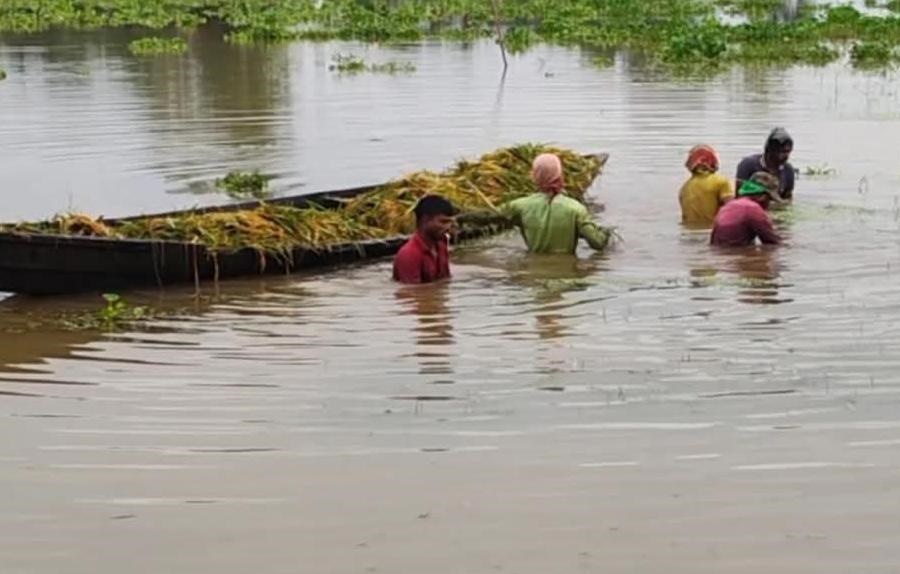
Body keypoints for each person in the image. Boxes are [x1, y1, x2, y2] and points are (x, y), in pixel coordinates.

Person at [495, 153, 612, 255]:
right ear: (560, 176)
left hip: (532, 275)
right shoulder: (576, 209)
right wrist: (606, 233)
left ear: (535, 177)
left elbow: (490, 218)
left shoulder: (518, 206)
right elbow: (597, 243)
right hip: (568, 274)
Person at [393, 195, 457, 284]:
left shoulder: (442, 244)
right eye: (443, 222)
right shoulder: (409, 254)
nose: (448, 227)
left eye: (450, 222)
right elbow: (412, 294)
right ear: (425, 220)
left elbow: (445, 280)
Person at [711, 171, 782, 247]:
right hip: (737, 252)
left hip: (720, 252)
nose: (768, 204)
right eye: (769, 200)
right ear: (763, 197)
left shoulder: (727, 207)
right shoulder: (754, 209)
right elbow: (772, 241)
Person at [679, 144, 734, 227]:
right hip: (712, 232)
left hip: (688, 235)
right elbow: (732, 210)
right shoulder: (721, 181)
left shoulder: (684, 188)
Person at [736, 128, 795, 201]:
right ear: (771, 150)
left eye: (788, 152)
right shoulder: (748, 165)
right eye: (782, 152)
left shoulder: (788, 170)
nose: (786, 156)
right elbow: (739, 195)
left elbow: (788, 199)